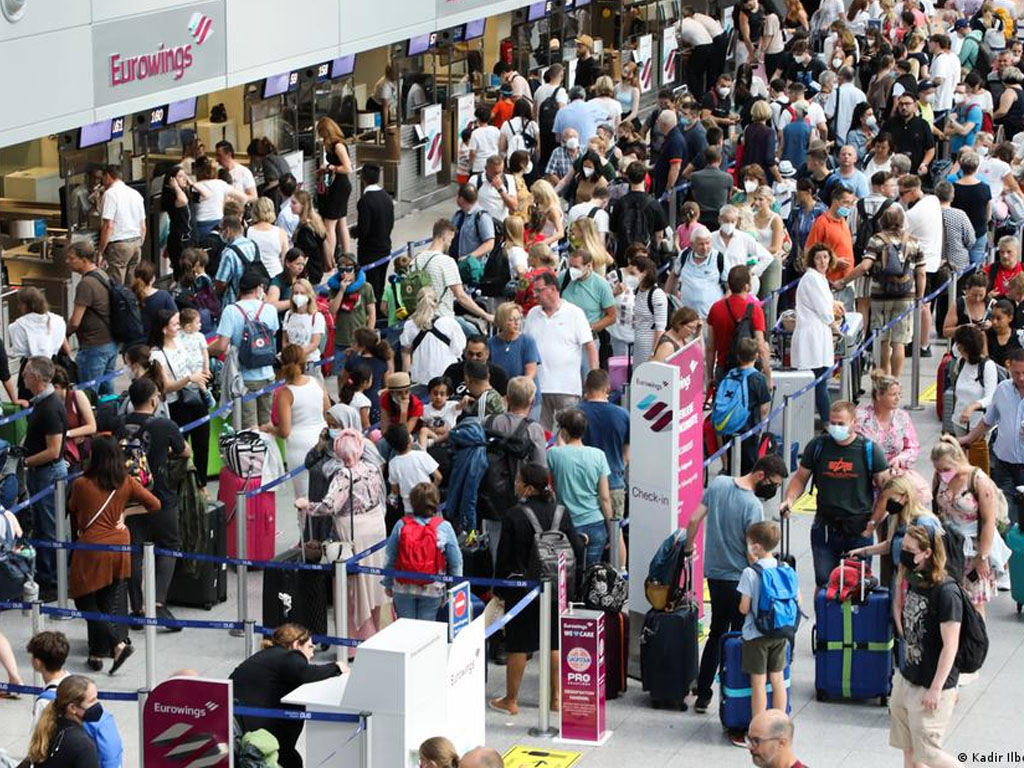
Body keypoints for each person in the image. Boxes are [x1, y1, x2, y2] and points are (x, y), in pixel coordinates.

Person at [684, 455, 788, 714]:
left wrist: (688, 549)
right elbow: (752, 551)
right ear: (761, 475)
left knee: (716, 633)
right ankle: (735, 693)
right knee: (741, 637)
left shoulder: (718, 483)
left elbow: (694, 520)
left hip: (716, 576)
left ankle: (703, 694)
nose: (773, 489)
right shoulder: (753, 506)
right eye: (773, 483)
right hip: (741, 579)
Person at [490, 462, 585, 716]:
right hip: (556, 587)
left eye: (519, 480)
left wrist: (500, 589)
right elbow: (577, 547)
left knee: (518, 645)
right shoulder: (561, 513)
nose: (516, 483)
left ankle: (511, 700)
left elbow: (504, 557)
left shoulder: (513, 515)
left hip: (522, 591)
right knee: (555, 642)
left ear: (529, 488)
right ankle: (555, 699)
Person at [69, 436, 158, 673]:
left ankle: (117, 645)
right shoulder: (126, 482)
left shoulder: (81, 484)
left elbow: (75, 512)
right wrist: (125, 515)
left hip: (91, 548)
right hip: (120, 545)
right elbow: (155, 504)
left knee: (85, 601)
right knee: (107, 603)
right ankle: (97, 654)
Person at [781, 400, 889, 586]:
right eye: (833, 423)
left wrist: (872, 524)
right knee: (824, 585)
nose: (836, 427)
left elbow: (886, 491)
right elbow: (800, 478)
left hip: (858, 529)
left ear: (854, 423)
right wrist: (789, 500)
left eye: (841, 423)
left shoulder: (869, 450)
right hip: (825, 528)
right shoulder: (817, 446)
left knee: (858, 587)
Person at [295, 430, 389, 639]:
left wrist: (306, 506)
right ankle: (377, 630)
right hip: (376, 528)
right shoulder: (373, 468)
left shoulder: (344, 475)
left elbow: (330, 505)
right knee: (374, 582)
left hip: (353, 533)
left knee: (354, 586)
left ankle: (356, 638)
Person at [889, 526, 962, 768]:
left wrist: (937, 688)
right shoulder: (914, 579)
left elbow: (951, 645)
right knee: (910, 751)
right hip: (908, 677)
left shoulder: (947, 593)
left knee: (929, 755)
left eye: (910, 550)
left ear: (927, 553)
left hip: (929, 685)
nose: (904, 554)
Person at [231, 624, 344, 768]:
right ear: (297, 644)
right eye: (310, 647)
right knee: (292, 761)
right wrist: (337, 667)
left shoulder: (270, 657)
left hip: (239, 722)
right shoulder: (287, 655)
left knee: (291, 759)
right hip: (250, 731)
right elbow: (304, 673)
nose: (312, 654)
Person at [932, 435, 1009, 619]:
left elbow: (989, 520)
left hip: (975, 547)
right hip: (950, 545)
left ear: (957, 459)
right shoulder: (940, 478)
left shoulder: (979, 480)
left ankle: (976, 644)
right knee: (950, 599)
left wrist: (982, 557)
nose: (943, 473)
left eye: (946, 468)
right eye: (938, 469)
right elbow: (937, 509)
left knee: (975, 602)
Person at [523, 272, 598, 430]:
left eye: (538, 290)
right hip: (538, 388)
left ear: (552, 289)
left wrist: (593, 378)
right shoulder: (532, 314)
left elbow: (590, 347)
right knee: (540, 435)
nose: (534, 295)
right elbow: (525, 348)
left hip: (567, 388)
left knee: (568, 433)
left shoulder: (575, 313)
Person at [22, 356, 68, 602]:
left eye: (27, 373)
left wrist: (25, 463)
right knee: (43, 525)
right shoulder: (44, 403)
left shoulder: (50, 407)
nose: (23, 377)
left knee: (49, 528)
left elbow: (53, 450)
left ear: (37, 378)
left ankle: (51, 582)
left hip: (48, 474)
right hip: (44, 473)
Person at [737, 521, 792, 726]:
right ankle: (780, 725)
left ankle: (759, 726)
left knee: (759, 682)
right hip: (780, 631)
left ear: (757, 547)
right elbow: (797, 599)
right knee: (777, 679)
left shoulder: (750, 573)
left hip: (756, 635)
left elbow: (744, 608)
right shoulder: (784, 567)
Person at [209, 272, 281, 429]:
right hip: (268, 374)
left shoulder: (231, 310)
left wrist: (205, 350)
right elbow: (272, 335)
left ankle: (254, 453)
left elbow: (222, 346)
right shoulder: (270, 309)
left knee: (250, 426)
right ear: (258, 289)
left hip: (245, 377)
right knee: (266, 423)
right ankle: (269, 452)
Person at [382, 482, 462, 619]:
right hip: (433, 588)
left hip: (402, 586)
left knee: (406, 629)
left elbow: (390, 557)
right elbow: (456, 561)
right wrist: (456, 589)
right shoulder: (444, 527)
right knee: (426, 630)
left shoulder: (401, 524)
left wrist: (388, 583)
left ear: (412, 502)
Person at [547, 408, 611, 569]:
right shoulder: (598, 455)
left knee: (566, 574)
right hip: (595, 523)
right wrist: (610, 526)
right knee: (591, 575)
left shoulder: (554, 454)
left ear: (563, 431)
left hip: (566, 524)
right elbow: (604, 497)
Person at [262, 346, 328, 498]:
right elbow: (328, 411)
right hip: (322, 440)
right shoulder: (316, 382)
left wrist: (270, 429)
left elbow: (284, 432)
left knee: (303, 498)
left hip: (298, 447)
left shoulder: (285, 393)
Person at [577, 369, 629, 563]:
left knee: (582, 534)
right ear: (607, 387)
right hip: (614, 482)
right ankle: (620, 575)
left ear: (586, 386)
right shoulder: (622, 414)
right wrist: (617, 467)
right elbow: (627, 452)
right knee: (617, 534)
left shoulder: (577, 413)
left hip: (582, 484)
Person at [855, 373, 929, 503]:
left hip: (894, 475)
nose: (897, 399)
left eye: (899, 395)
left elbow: (913, 447)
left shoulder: (902, 417)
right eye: (893, 395)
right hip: (864, 475)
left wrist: (900, 459)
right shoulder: (860, 417)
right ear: (878, 395)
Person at [792, 244, 841, 424]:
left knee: (820, 383)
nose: (822, 262)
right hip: (812, 337)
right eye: (818, 258)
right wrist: (835, 326)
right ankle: (828, 422)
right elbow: (823, 309)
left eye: (825, 257)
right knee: (819, 383)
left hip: (818, 335)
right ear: (812, 259)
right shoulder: (812, 279)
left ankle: (825, 421)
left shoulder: (819, 278)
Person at [65, 242, 118, 397]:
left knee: (88, 395)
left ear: (84, 260)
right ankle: (111, 419)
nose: (68, 261)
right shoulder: (102, 274)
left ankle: (91, 421)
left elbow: (75, 321)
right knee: (108, 392)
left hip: (94, 347)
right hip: (110, 343)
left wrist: (64, 334)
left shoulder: (86, 284)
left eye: (72, 258)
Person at [706, 265, 772, 383]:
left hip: (724, 370)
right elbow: (761, 346)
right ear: (747, 286)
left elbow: (711, 347)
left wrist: (709, 376)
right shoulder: (755, 310)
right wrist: (768, 377)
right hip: (748, 371)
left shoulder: (715, 308)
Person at [25, 675, 101, 768]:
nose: (97, 703)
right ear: (73, 708)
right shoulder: (84, 746)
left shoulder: (49, 728)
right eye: (92, 701)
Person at [561, 248, 617, 368]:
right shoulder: (564, 278)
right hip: (565, 337)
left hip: (588, 339)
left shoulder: (601, 285)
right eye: (570, 266)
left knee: (588, 375)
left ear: (588, 266)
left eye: (576, 267)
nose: (572, 270)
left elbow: (612, 316)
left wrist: (591, 328)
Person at [401, 287, 467, 388]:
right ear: (437, 303)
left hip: (420, 379)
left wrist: (405, 381)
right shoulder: (449, 323)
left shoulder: (410, 325)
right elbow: (459, 350)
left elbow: (406, 354)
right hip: (446, 378)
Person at [10, 286, 66, 401]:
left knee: (30, 398)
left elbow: (19, 350)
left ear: (25, 305)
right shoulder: (58, 320)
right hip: (54, 363)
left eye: (20, 304)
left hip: (30, 365)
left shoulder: (18, 326)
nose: (18, 307)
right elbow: (60, 341)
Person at [608, 161, 668, 262]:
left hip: (625, 254)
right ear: (645, 178)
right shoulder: (654, 204)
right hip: (647, 254)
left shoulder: (620, 203)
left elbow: (613, 232)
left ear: (628, 178)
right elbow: (659, 234)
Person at [97, 165, 145, 285]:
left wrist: (100, 251)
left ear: (108, 176)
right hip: (136, 243)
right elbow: (143, 226)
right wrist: (139, 243)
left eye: (102, 178)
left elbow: (108, 225)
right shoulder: (135, 194)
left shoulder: (110, 194)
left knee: (117, 286)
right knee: (132, 286)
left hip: (119, 245)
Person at [353, 164, 395, 300]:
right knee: (380, 286)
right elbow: (391, 223)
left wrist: (353, 232)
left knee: (370, 290)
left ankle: (373, 317)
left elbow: (364, 229)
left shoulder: (365, 201)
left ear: (363, 179)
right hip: (385, 249)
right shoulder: (387, 197)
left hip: (369, 253)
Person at [315, 116, 354, 260]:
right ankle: (347, 254)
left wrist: (330, 167)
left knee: (329, 225)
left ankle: (329, 258)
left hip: (339, 187)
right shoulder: (332, 145)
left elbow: (348, 168)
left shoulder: (338, 146)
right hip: (337, 185)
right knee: (341, 222)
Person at [665, 226, 727, 318]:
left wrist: (721, 309)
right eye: (701, 244)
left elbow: (730, 287)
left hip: (710, 318)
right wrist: (666, 297)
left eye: (708, 243)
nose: (705, 247)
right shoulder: (684, 255)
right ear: (692, 244)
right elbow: (674, 275)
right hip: (686, 318)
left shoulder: (719, 258)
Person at [214, 216, 263, 307]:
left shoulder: (229, 253)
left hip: (235, 301)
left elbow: (221, 282)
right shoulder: (253, 244)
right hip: (256, 299)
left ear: (228, 230)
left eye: (221, 230)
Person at [488, 302, 540, 387]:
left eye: (518, 319)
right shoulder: (490, 343)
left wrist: (518, 389)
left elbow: (531, 372)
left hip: (524, 391)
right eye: (511, 319)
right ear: (502, 320)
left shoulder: (527, 340)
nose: (516, 323)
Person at [630, 256, 668, 364]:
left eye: (633, 273)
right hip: (637, 344)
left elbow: (660, 328)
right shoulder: (637, 291)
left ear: (644, 273)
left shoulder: (656, 295)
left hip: (649, 345)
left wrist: (655, 354)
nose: (630, 277)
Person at [282, 278, 326, 368]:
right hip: (291, 364)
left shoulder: (316, 317)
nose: (298, 296)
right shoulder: (288, 314)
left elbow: (314, 344)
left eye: (302, 293)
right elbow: (285, 340)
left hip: (309, 363)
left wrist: (297, 356)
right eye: (296, 293)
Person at [291, 190, 331, 285]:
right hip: (316, 270)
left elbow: (307, 253)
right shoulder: (315, 222)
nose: (291, 206)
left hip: (309, 273)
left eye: (294, 203)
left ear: (303, 205)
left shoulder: (305, 230)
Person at [247, 198, 288, 279]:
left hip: (256, 276)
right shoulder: (280, 232)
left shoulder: (248, 231)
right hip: (277, 274)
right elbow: (285, 259)